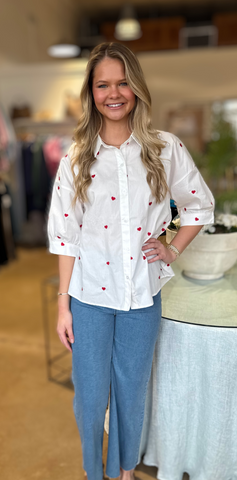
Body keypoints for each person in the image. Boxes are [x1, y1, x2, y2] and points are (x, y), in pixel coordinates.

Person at [47, 42, 215, 480]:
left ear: (137, 88)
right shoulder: (76, 158)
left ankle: (123, 472)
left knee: (130, 390)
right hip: (88, 296)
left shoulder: (164, 148)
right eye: (102, 84)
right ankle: (91, 472)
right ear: (91, 92)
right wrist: (63, 305)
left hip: (142, 295)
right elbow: (65, 236)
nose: (113, 93)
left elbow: (198, 207)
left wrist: (173, 247)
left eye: (123, 82)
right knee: (89, 395)